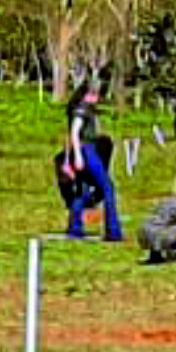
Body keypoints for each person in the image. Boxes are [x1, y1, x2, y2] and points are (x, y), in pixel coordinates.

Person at [61, 81, 124, 242]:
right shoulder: (82, 109)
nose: (98, 98)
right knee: (107, 187)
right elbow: (74, 133)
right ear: (89, 94)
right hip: (87, 151)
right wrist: (79, 157)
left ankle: (75, 228)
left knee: (82, 190)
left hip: (84, 151)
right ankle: (113, 230)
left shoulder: (83, 109)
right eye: (96, 95)